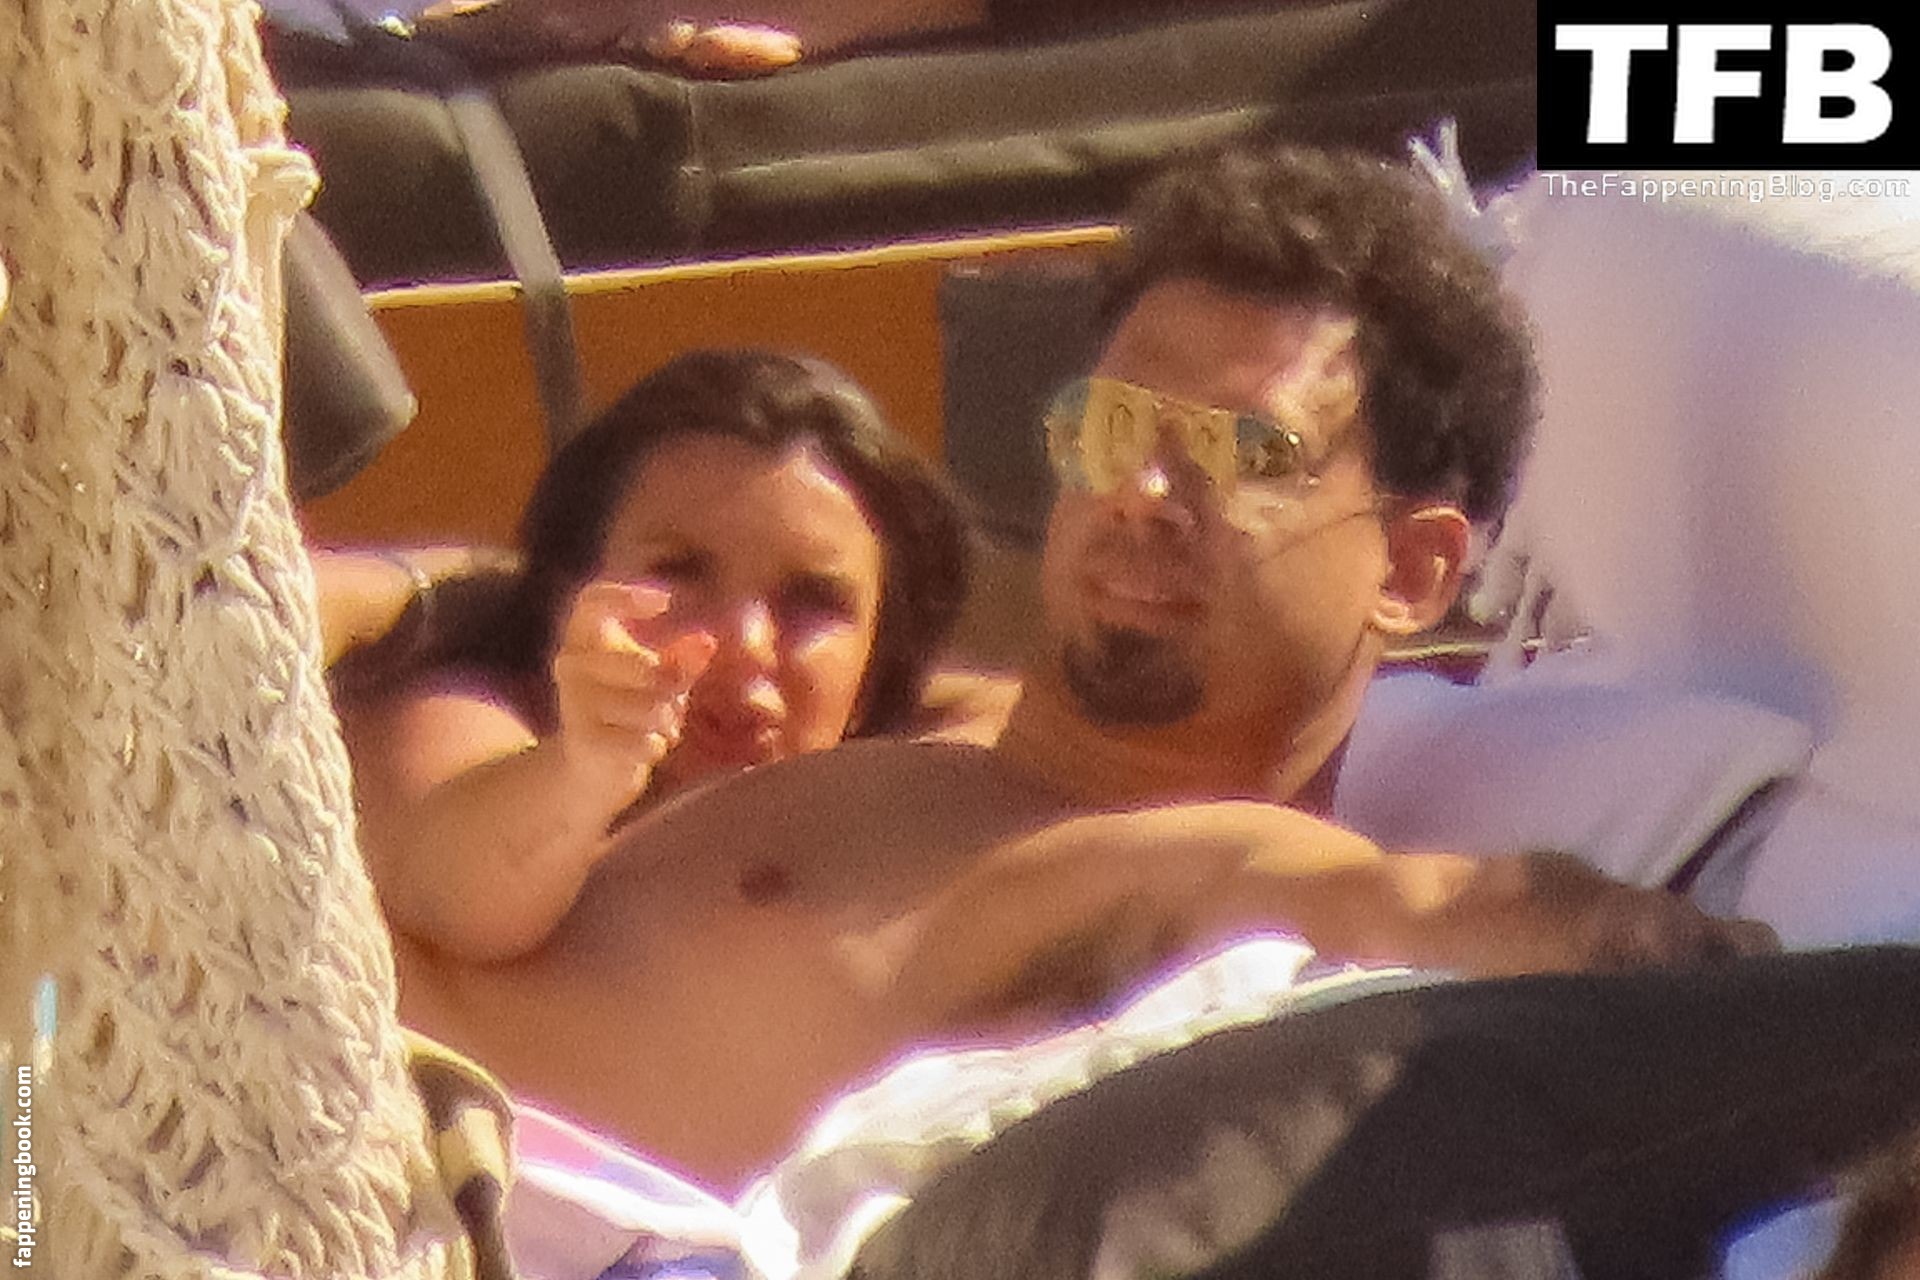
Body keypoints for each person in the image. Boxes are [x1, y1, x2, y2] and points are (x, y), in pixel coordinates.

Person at [400, 144, 1770, 1193]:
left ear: (1411, 574)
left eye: (1243, 452)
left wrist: (1760, 988)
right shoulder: (960, 742)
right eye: (1112, 426)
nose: (1140, 492)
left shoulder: (1176, 862)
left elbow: (1427, 906)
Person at [338, 349, 970, 963]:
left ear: (877, 665)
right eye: (680, 571)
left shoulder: (932, 757)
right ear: (569, 596)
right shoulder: (470, 714)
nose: (744, 644)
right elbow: (452, 898)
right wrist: (587, 772)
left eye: (812, 599)